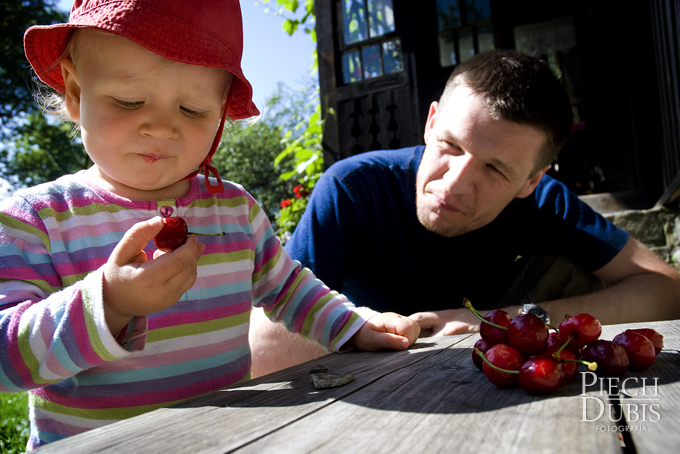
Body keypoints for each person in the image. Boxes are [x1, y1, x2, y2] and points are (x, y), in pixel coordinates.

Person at [0, 0, 419, 449]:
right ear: (76, 92)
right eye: (129, 101)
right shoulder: (39, 218)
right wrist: (109, 304)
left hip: (228, 442)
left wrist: (351, 325)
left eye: (194, 110)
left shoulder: (234, 212)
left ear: (221, 111)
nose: (161, 128)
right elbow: (6, 361)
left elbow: (289, 287)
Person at [250, 49, 680, 374]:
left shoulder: (544, 199)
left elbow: (667, 288)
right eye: (450, 146)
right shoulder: (353, 187)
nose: (453, 184)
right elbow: (265, 338)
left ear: (530, 180)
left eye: (494, 169)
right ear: (431, 121)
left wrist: (513, 320)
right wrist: (365, 327)